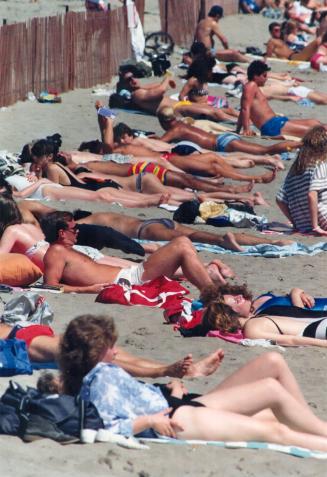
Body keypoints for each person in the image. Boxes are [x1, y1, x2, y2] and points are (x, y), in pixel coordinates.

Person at [59, 314, 327, 451]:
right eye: (110, 347)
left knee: (272, 365)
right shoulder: (99, 380)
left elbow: (132, 400)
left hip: (180, 404)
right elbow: (109, 427)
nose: (116, 352)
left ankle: (319, 429)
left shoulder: (103, 373)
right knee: (273, 430)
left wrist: (170, 387)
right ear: (94, 352)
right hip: (179, 420)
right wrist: (151, 421)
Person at [41, 214, 235, 292]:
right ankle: (212, 294)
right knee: (182, 244)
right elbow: (50, 286)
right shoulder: (56, 252)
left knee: (182, 243)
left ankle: (211, 288)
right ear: (61, 233)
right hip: (130, 281)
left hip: (130, 276)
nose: (78, 232)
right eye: (73, 229)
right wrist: (86, 290)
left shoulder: (67, 249)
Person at [200, 284, 327, 347]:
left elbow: (293, 340)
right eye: (233, 301)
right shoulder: (260, 318)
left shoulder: (253, 328)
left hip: (320, 328)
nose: (238, 296)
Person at [158, 106, 299, 157]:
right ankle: (297, 145)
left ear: (164, 121)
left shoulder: (174, 130)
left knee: (265, 150)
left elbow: (160, 144)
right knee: (264, 150)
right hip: (223, 138)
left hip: (221, 143)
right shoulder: (181, 123)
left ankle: (301, 144)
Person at [237, 60, 327, 137]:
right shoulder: (251, 86)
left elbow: (242, 110)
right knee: (317, 131)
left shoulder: (252, 88)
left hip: (276, 122)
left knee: (313, 122)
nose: (266, 78)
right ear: (256, 76)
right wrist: (246, 129)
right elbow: (245, 109)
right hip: (272, 127)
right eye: (264, 76)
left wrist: (237, 129)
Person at [276, 125, 327, 235]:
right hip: (323, 220)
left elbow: (280, 199)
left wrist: (296, 223)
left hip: (303, 225)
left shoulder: (296, 168)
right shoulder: (321, 164)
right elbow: (311, 195)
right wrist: (315, 226)